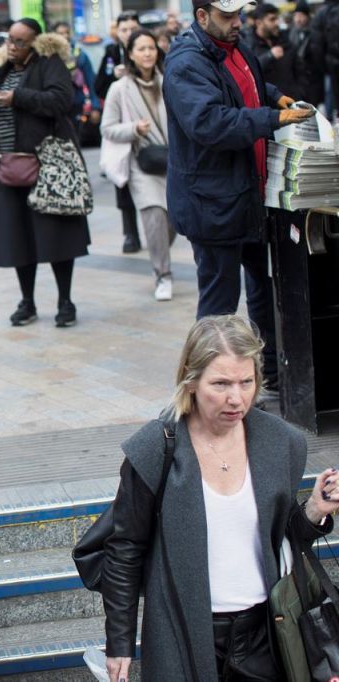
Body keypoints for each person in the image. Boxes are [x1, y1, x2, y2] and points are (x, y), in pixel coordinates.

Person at [101, 314, 337, 681]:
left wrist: (312, 511)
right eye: (221, 383)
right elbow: (124, 549)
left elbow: (278, 537)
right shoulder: (155, 447)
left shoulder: (281, 442)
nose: (235, 398)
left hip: (266, 633)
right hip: (181, 633)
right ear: (191, 381)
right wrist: (119, 642)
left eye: (246, 382)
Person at [163, 0, 314, 395]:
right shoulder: (185, 62)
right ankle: (205, 390)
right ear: (202, 16)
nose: (237, 23)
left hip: (248, 194)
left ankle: (273, 375)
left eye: (238, 15)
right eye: (227, 16)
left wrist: (275, 96)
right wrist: (272, 118)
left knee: (263, 286)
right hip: (211, 202)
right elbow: (210, 122)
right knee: (219, 303)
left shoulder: (234, 47)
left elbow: (243, 85)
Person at [0, 19, 91, 328]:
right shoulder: (0, 70)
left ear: (35, 43)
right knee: (17, 237)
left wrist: (16, 98)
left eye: (20, 41)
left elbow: (61, 101)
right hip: (5, 166)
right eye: (10, 39)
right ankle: (28, 301)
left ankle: (65, 301)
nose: (13, 46)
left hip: (44, 166)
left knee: (55, 236)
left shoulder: (49, 65)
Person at [101, 30, 175, 302]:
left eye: (151, 48)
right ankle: (163, 275)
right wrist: (133, 129)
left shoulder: (168, 83)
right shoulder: (119, 88)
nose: (147, 53)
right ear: (130, 53)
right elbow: (107, 128)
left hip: (172, 162)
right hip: (141, 163)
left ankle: (161, 256)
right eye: (141, 48)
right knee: (154, 215)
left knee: (174, 221)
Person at [96, 11, 144, 254]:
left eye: (132, 28)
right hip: (120, 127)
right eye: (124, 29)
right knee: (121, 180)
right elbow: (99, 88)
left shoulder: (148, 49)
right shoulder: (111, 54)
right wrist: (110, 75)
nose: (128, 33)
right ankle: (130, 233)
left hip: (147, 127)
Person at [52, 21, 102, 146]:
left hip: (75, 104)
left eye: (66, 33)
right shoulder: (49, 56)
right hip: (54, 106)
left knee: (74, 141)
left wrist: (95, 107)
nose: (64, 36)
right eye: (60, 33)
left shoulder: (79, 55)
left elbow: (91, 82)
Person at [245, 4, 297, 92]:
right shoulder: (248, 44)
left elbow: (298, 68)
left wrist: (300, 92)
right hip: (267, 100)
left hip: (290, 98)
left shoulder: (284, 39)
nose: (277, 23)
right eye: (272, 19)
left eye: (277, 18)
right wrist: (269, 56)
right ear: (258, 23)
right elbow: (249, 71)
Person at [287, 0, 323, 105]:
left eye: (301, 15)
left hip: (313, 79)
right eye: (296, 15)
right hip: (298, 80)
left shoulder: (314, 32)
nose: (298, 19)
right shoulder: (292, 32)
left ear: (307, 16)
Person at [309, 0, 339, 115]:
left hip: (331, 65)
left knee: (331, 96)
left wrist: (324, 67)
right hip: (331, 62)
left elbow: (316, 46)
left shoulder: (321, 13)